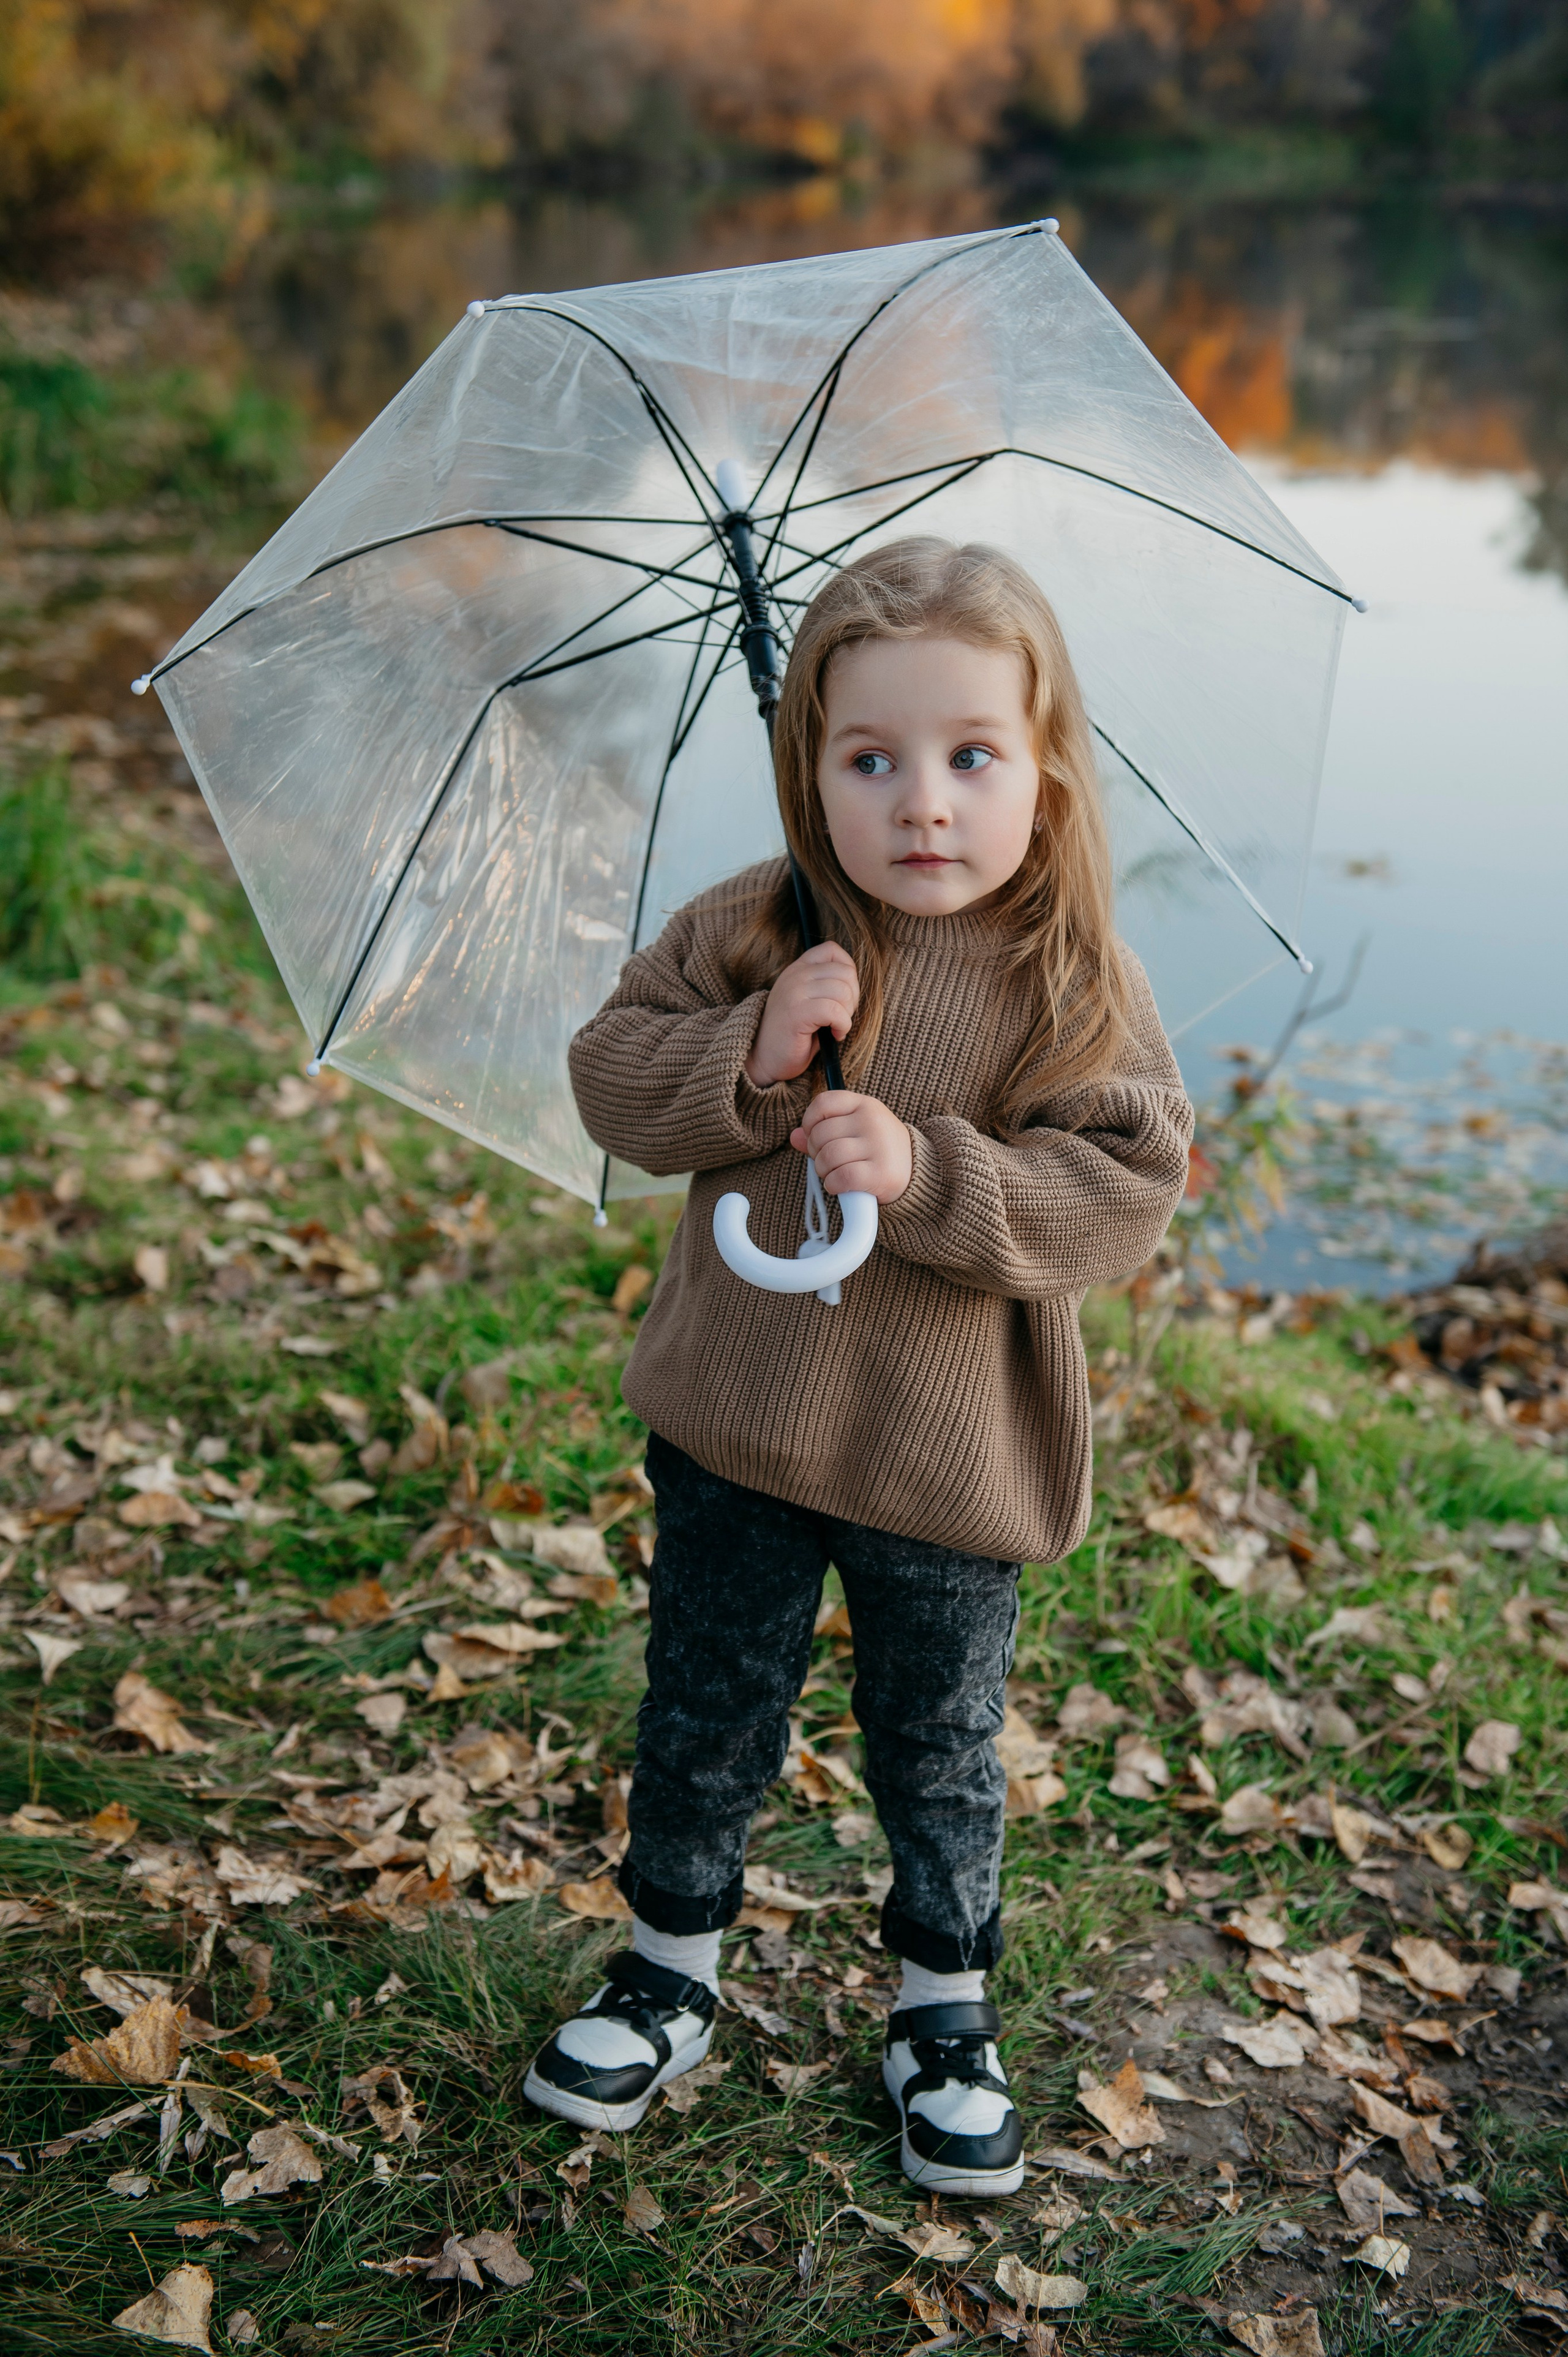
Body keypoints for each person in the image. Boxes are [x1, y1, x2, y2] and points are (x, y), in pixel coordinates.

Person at [524, 538, 1194, 2193]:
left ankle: (942, 2007)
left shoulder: (1074, 981)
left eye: (972, 757)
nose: (923, 805)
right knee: (707, 1707)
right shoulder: (757, 929)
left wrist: (934, 1174)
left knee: (939, 1740)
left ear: (1045, 764)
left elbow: (1125, 1197)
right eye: (870, 759)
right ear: (807, 763)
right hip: (742, 1430)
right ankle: (669, 1960)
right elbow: (612, 1082)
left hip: (945, 1465)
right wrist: (745, 1053)